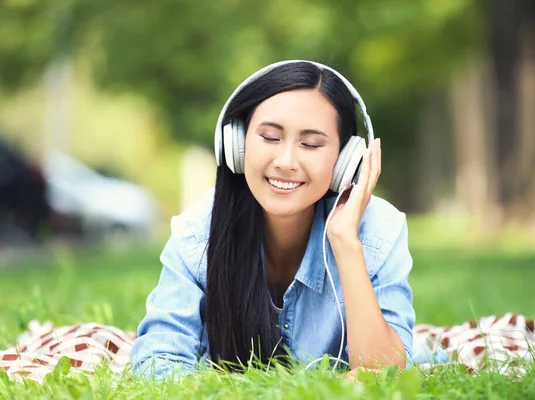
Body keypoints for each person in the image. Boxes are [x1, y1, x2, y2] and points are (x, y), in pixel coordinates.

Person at [129, 60, 416, 380]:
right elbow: (159, 360)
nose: (286, 162)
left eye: (310, 144)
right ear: (237, 144)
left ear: (345, 162)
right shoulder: (198, 232)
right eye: (269, 137)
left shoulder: (377, 230)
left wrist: (345, 241)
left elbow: (384, 373)